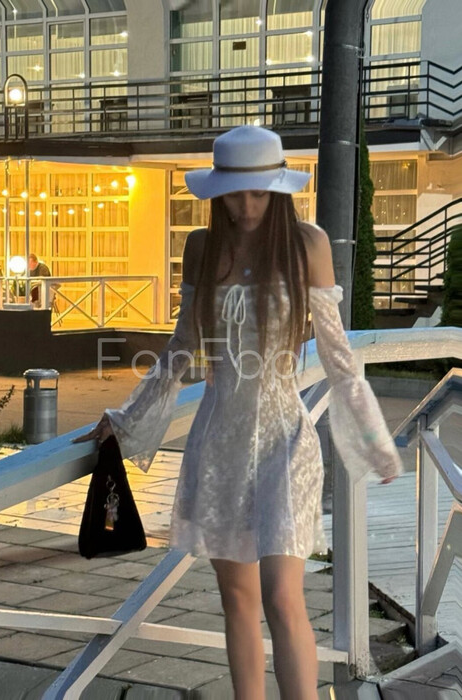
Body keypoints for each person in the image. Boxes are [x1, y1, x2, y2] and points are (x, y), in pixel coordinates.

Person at [74, 126, 402, 700]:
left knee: (281, 594)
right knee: (238, 598)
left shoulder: (307, 244)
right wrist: (126, 419)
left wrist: (376, 441)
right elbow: (181, 348)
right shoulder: (201, 247)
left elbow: (339, 358)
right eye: (234, 193)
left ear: (277, 190)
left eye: (257, 193)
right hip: (219, 444)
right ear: (217, 191)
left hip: (285, 439)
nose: (246, 206)